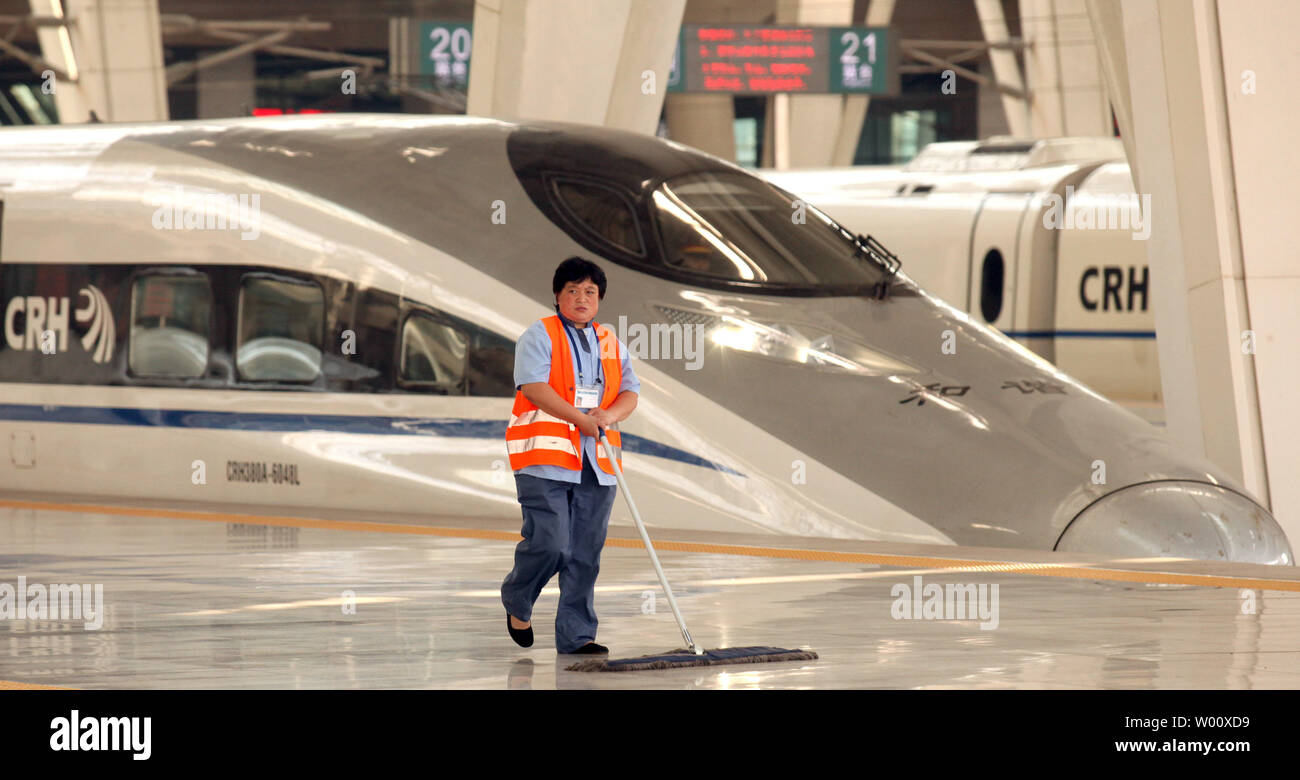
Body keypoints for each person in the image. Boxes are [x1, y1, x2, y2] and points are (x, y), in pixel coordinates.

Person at [501, 256, 640, 654]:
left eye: (590, 292)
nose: (582, 298)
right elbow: (533, 387)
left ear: (600, 300)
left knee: (584, 555)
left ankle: (578, 637)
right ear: (558, 296)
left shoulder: (611, 342)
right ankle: (517, 597)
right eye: (573, 291)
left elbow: (631, 392)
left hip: (597, 463)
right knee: (551, 544)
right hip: (544, 458)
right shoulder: (539, 335)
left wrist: (608, 415)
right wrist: (580, 418)